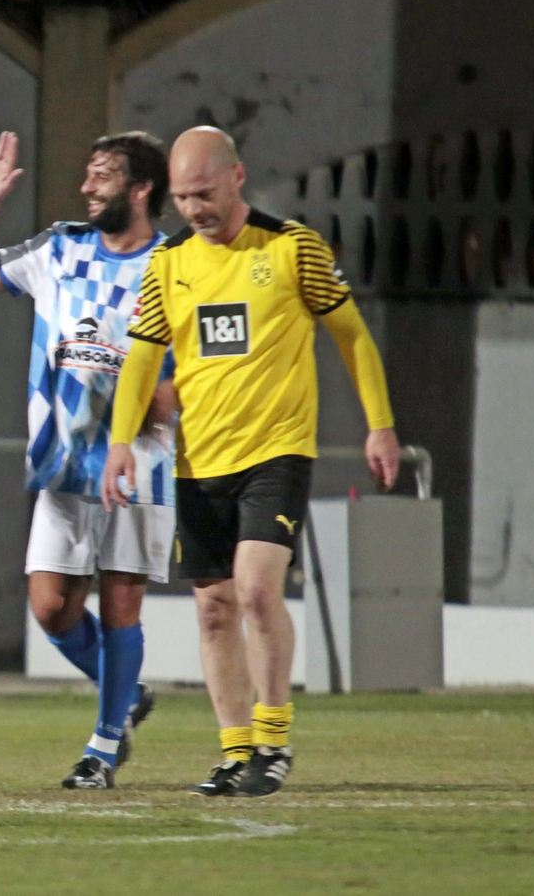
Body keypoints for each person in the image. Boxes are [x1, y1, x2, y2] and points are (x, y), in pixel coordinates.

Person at [103, 126, 399, 798]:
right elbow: (144, 358)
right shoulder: (169, 263)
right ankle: (235, 751)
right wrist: (122, 441)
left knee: (259, 590)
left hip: (277, 451)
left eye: (203, 194)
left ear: (237, 177)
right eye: (181, 198)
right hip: (197, 459)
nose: (194, 209)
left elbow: (351, 336)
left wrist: (380, 426)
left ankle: (274, 738)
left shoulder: (292, 248)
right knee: (213, 609)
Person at [0, 130, 177, 790]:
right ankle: (126, 695)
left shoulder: (174, 265)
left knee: (120, 605)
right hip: (61, 458)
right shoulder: (60, 247)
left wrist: (152, 390)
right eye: (88, 173)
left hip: (137, 458)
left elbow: (183, 377)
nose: (87, 187)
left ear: (140, 189)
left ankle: (102, 751)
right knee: (51, 606)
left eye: (103, 175)